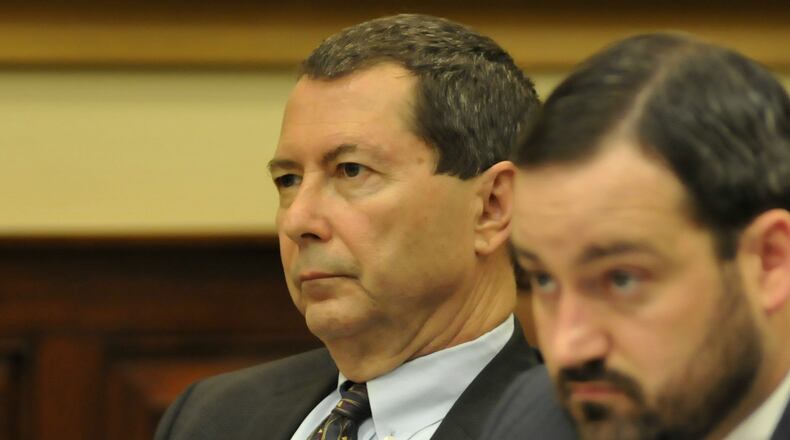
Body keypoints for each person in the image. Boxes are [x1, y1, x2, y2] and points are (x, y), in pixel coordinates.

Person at [155, 14, 575, 440]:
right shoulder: (212, 416)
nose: (299, 220)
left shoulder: (580, 427)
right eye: (288, 180)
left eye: (351, 171)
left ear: (491, 207)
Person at [487, 32, 790, 439]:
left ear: (771, 261)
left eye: (621, 279)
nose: (567, 348)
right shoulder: (535, 419)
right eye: (544, 280)